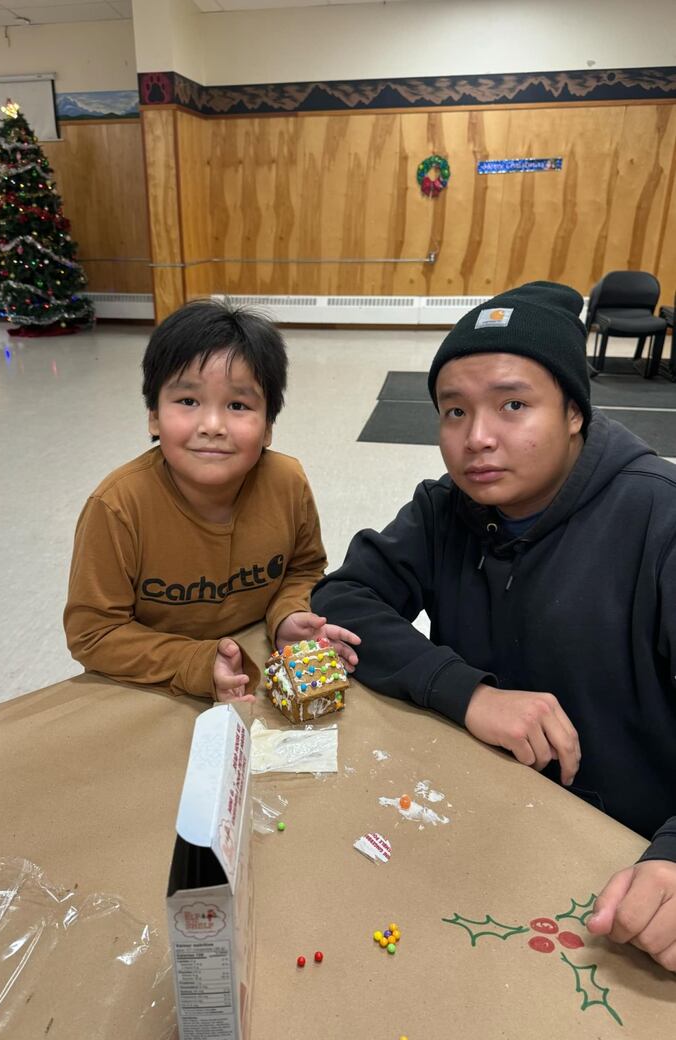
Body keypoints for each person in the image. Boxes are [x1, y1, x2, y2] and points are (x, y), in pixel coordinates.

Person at [312, 281, 676, 971]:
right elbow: (344, 599)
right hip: (482, 825)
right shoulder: (445, 509)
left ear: (575, 411)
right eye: (454, 410)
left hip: (625, 859)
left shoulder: (659, 521)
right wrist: (467, 693)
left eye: (513, 404)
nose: (477, 438)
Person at [64, 299, 358, 704]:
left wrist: (287, 615)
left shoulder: (287, 483)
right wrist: (197, 663)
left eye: (238, 405)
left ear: (268, 426)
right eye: (188, 401)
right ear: (153, 415)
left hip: (256, 655)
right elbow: (94, 634)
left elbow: (304, 567)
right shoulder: (118, 507)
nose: (213, 426)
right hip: (151, 679)